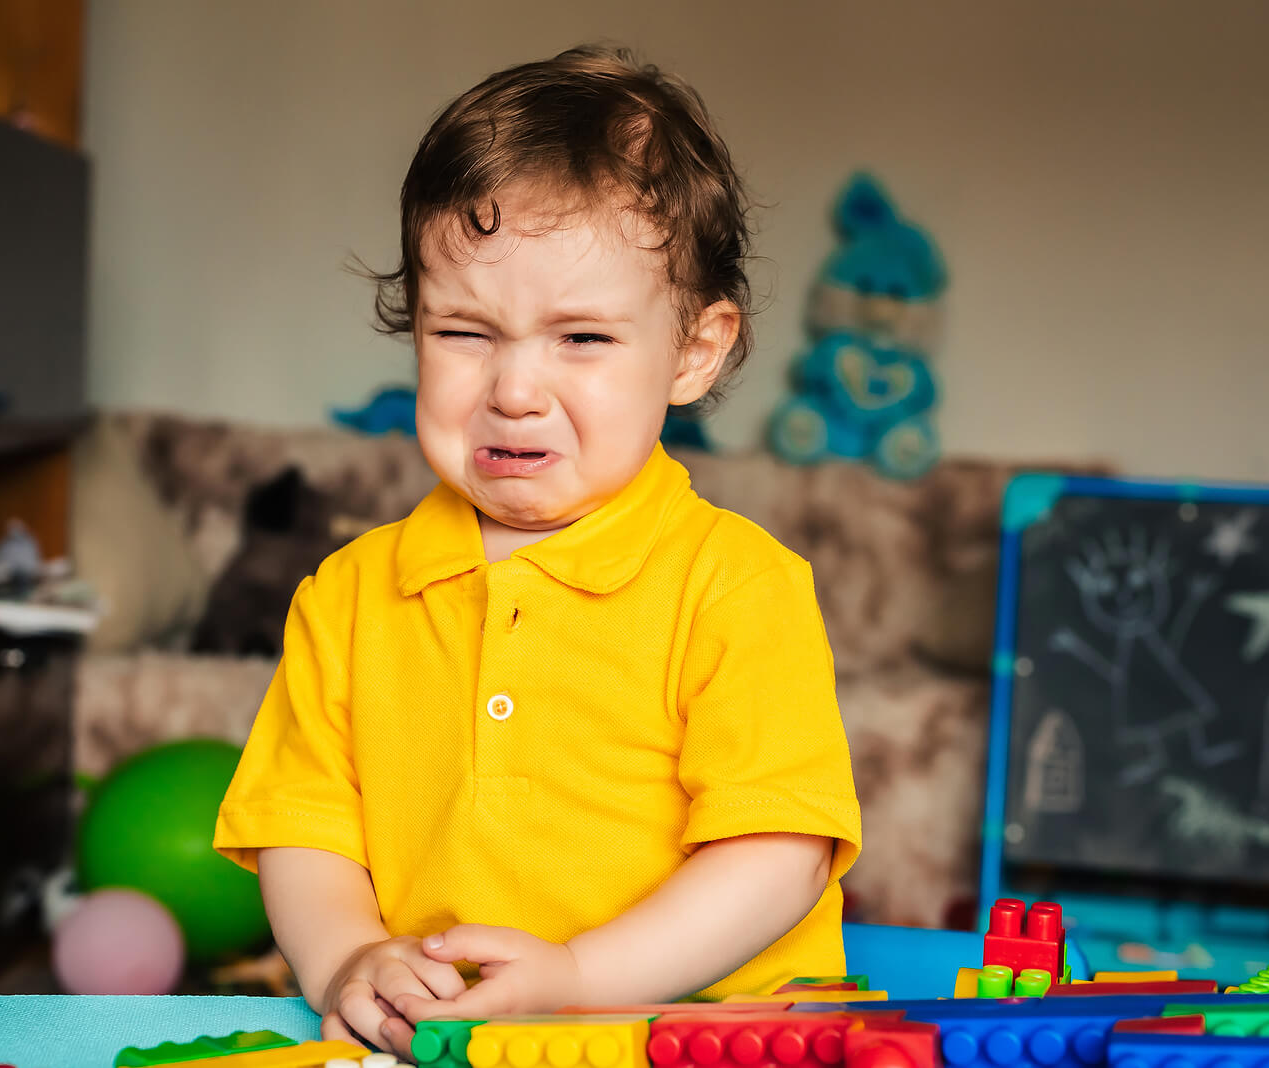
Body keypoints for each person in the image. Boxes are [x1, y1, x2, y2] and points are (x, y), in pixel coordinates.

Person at [214, 44, 861, 1056]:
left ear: (693, 351)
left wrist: (578, 977)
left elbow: (777, 854)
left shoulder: (736, 585)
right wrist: (344, 957)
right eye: (465, 333)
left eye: (583, 339)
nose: (514, 390)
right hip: (445, 1041)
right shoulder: (347, 592)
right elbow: (304, 827)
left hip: (700, 1039)